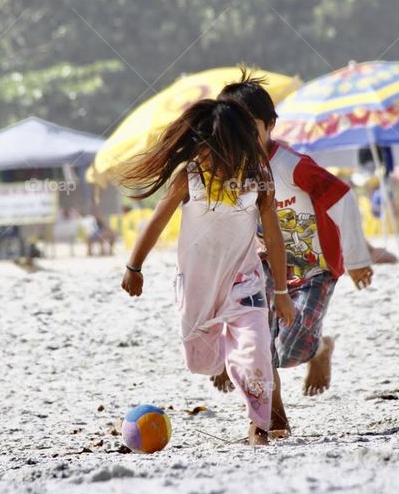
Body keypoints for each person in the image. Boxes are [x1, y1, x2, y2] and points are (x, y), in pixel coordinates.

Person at [118, 98, 296, 446]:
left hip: (244, 280)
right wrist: (134, 266)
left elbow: (273, 236)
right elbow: (157, 221)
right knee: (200, 361)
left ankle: (258, 425)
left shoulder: (258, 179)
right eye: (211, 148)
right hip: (197, 285)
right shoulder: (190, 176)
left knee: (257, 351)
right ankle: (227, 362)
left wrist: (281, 292)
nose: (218, 157)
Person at [214, 72, 374, 434]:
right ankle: (274, 415)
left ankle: (318, 350)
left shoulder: (291, 164)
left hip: (314, 269)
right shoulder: (228, 173)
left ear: (270, 125)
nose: (240, 135)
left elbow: (344, 196)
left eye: (249, 125)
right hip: (266, 269)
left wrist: (357, 259)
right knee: (262, 345)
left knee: (292, 347)